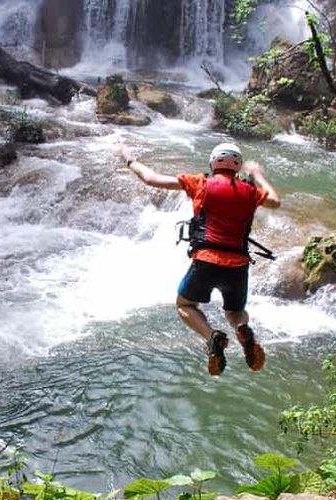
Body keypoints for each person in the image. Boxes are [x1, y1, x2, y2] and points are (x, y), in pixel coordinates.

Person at [119, 142, 280, 376]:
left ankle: (211, 336)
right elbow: (275, 201)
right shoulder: (251, 191)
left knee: (185, 305)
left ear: (213, 163)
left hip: (205, 261)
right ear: (238, 166)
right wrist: (257, 174)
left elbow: (151, 179)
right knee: (235, 311)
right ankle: (242, 328)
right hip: (238, 266)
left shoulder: (200, 183)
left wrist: (130, 159)